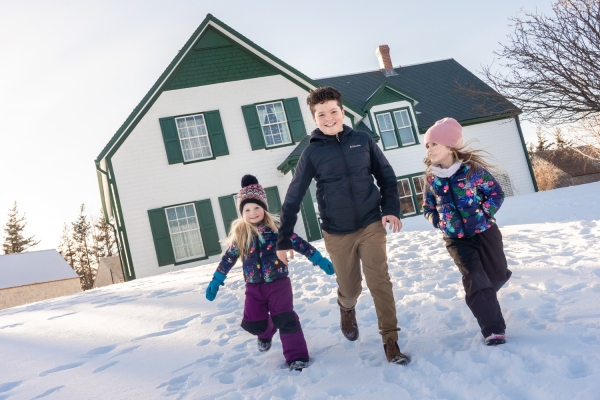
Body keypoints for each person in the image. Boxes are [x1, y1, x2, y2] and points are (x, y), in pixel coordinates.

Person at [275, 86, 410, 365]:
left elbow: (386, 176)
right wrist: (283, 238)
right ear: (314, 119)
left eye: (333, 111)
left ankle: (391, 341)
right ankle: (345, 307)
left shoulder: (362, 140)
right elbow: (293, 197)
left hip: (371, 223)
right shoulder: (311, 154)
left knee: (379, 282)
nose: (328, 118)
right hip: (337, 232)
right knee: (351, 288)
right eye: (321, 114)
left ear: (342, 111)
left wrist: (390, 210)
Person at [205, 174, 334, 371]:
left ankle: (297, 357)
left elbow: (298, 243)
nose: (253, 212)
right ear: (242, 213)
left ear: (264, 208)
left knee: (286, 318)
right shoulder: (241, 235)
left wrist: (318, 259)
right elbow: (228, 259)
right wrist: (216, 280)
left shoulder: (277, 230)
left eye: (257, 207)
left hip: (279, 284)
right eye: (247, 209)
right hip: (254, 287)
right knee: (253, 323)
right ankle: (266, 332)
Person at [422, 117, 512, 346]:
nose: (430, 149)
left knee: (498, 275)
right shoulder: (432, 178)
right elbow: (428, 206)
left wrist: (484, 212)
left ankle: (483, 295)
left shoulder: (472, 170)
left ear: (451, 147)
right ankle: (493, 329)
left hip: (485, 230)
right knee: (475, 277)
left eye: (434, 144)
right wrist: (437, 220)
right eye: (428, 145)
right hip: (455, 238)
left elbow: (496, 194)